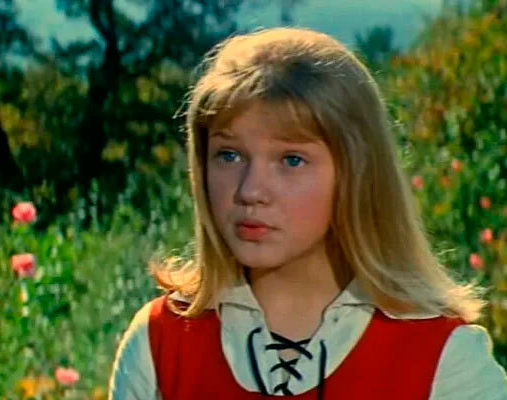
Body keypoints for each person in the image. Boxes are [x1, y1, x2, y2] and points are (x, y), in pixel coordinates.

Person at [107, 27, 507, 399]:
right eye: (229, 155)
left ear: (356, 173)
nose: (250, 191)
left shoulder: (444, 360)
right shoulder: (161, 342)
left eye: (291, 160)